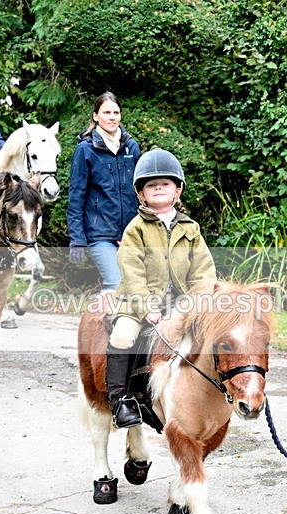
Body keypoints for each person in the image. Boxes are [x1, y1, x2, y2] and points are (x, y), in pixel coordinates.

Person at [105, 148, 216, 428]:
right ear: (141, 194)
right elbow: (131, 270)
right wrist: (145, 307)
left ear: (177, 190)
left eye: (164, 183)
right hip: (138, 303)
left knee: (210, 337)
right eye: (150, 185)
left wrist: (200, 302)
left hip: (180, 304)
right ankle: (121, 401)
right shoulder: (136, 229)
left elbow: (204, 270)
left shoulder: (191, 229)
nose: (157, 188)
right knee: (122, 337)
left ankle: (213, 391)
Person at [67, 92, 141, 291]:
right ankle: (107, 322)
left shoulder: (131, 147)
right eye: (106, 112)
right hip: (100, 234)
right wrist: (77, 239)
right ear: (95, 116)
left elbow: (141, 191)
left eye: (116, 112)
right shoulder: (85, 149)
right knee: (115, 285)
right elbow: (76, 197)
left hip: (131, 233)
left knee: (138, 287)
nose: (112, 117)